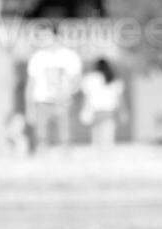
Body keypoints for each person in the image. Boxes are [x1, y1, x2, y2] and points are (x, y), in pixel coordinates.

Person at [26, 24, 83, 152]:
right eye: (41, 37)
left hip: (63, 102)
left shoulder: (70, 56)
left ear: (56, 37)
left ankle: (66, 165)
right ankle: (43, 166)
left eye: (46, 36)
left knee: (65, 136)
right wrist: (29, 107)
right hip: (42, 102)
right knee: (41, 137)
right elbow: (30, 84)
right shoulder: (37, 58)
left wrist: (67, 94)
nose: (43, 39)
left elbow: (77, 81)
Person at [80, 57, 125, 148]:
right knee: (108, 139)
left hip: (95, 111)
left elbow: (86, 97)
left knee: (96, 139)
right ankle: (107, 158)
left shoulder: (89, 78)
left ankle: (97, 157)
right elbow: (119, 98)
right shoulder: (113, 78)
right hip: (109, 111)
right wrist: (123, 112)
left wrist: (84, 110)